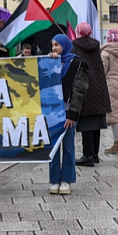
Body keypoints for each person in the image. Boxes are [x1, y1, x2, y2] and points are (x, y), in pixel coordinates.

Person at [48, 34, 89, 195]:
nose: (54, 48)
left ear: (65, 45)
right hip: (52, 112)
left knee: (68, 145)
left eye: (57, 45)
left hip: (67, 112)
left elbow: (80, 90)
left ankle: (66, 180)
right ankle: (54, 179)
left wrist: (73, 114)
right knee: (53, 147)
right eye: (52, 45)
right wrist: (50, 62)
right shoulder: (51, 62)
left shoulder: (77, 63)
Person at [71, 22, 110, 167]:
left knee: (86, 123)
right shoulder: (95, 46)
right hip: (99, 88)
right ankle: (95, 154)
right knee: (96, 124)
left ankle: (87, 156)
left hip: (85, 87)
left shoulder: (75, 46)